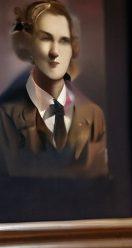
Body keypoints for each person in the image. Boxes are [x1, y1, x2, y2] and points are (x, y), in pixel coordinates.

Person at [0, 0, 107, 178]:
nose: (55, 51)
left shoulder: (93, 115)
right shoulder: (5, 116)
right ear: (28, 46)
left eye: (64, 40)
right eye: (45, 38)